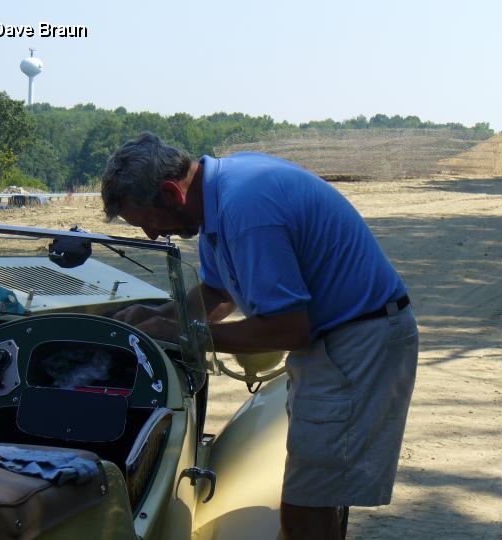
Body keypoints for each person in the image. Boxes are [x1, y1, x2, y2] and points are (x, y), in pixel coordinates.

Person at [101, 132, 418, 540]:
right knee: (310, 499)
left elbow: (288, 329)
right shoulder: (219, 196)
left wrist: (190, 336)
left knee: (306, 506)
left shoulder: (244, 209)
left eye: (147, 221)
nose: (150, 235)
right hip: (336, 340)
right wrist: (159, 316)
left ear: (170, 192)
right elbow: (218, 293)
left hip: (358, 344)